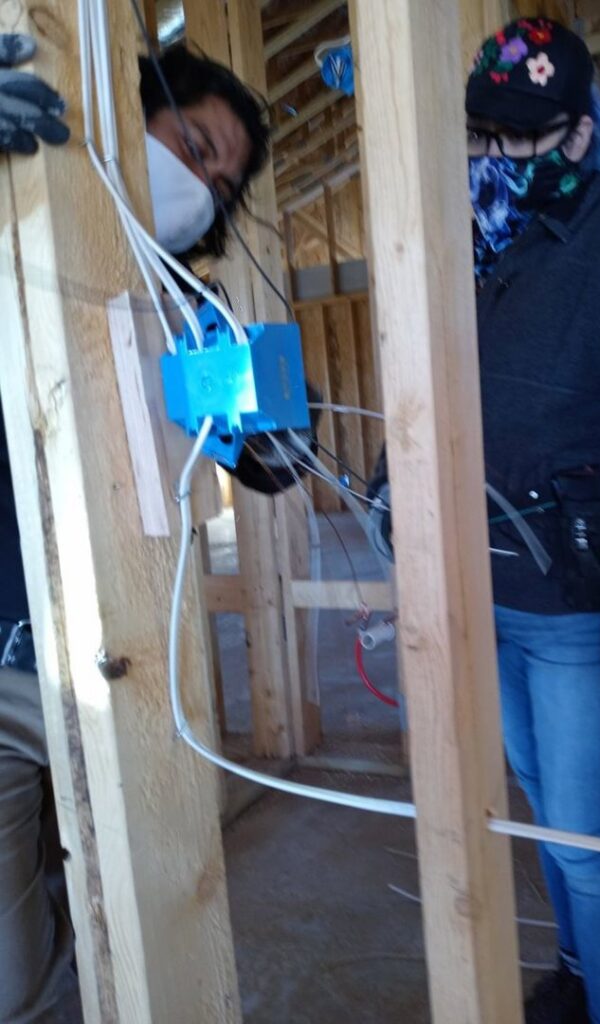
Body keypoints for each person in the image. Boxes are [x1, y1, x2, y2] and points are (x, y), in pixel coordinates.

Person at [370, 17, 600, 1024]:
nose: (492, 156)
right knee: (547, 819)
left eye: (517, 134)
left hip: (586, 613)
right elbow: (428, 390)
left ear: (580, 135)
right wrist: (387, 478)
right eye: (479, 131)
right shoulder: (479, 259)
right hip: (486, 599)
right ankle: (583, 982)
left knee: (591, 839)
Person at [0, 39, 278, 1023]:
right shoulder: (9, 228)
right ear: (135, 108)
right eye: (195, 143)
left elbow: (256, 446)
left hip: (108, 657)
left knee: (141, 915)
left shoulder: (180, 304)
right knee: (11, 958)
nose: (201, 182)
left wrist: (274, 434)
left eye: (219, 177)